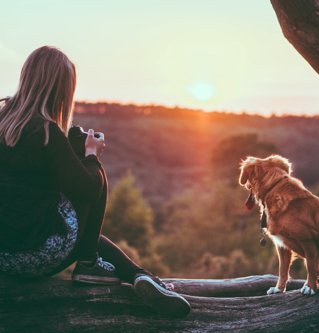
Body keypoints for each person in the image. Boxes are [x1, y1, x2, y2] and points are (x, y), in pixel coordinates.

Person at [0, 46, 190, 318]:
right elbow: (87, 190)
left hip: (4, 256)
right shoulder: (46, 132)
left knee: (83, 233)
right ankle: (92, 265)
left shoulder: (5, 121)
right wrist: (91, 156)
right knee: (94, 178)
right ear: (60, 90)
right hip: (37, 256)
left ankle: (139, 276)